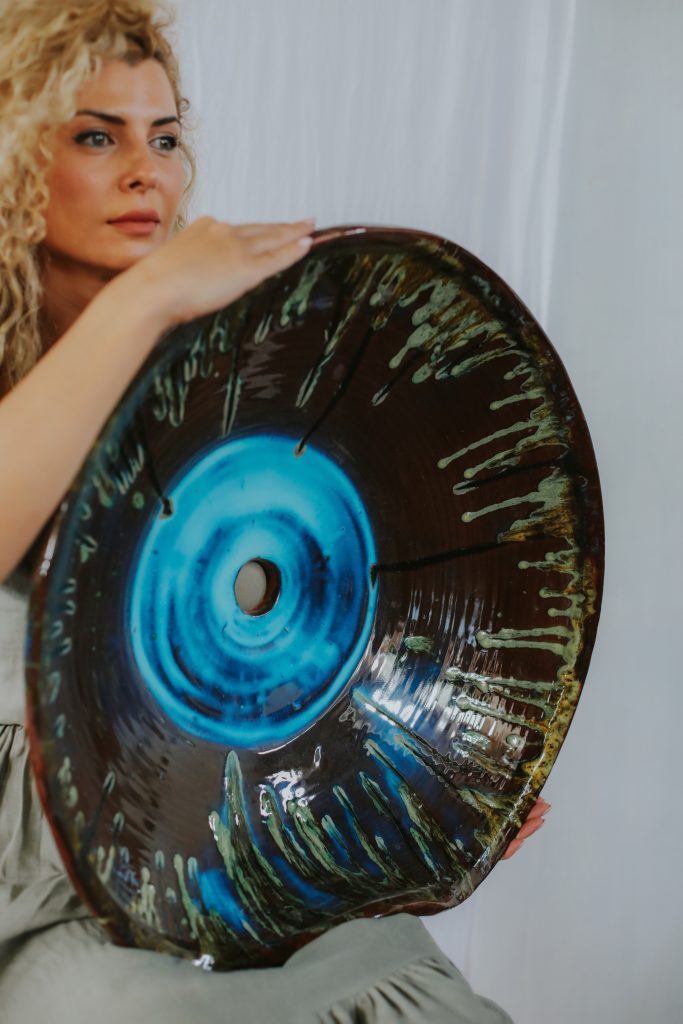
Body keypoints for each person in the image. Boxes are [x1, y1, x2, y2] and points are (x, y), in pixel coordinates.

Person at [0, 2, 548, 1021]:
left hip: (221, 872)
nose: (147, 172)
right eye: (96, 136)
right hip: (33, 914)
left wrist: (434, 789)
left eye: (165, 138)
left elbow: (303, 661)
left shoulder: (231, 376)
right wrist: (143, 300)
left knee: (400, 984)